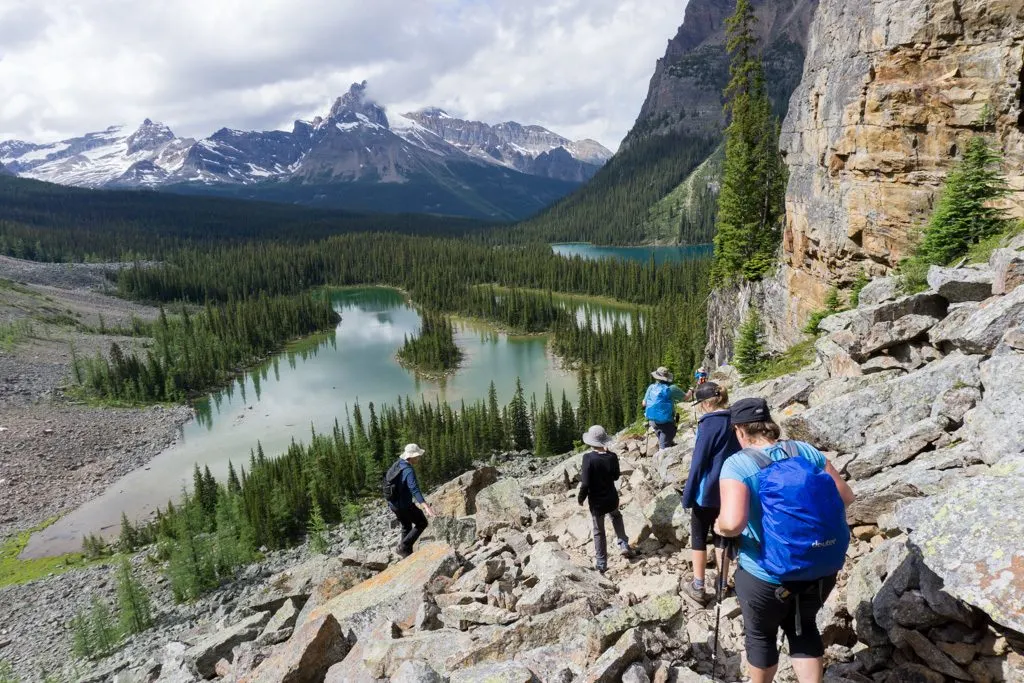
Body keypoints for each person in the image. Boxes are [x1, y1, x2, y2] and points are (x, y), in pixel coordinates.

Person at [716, 398, 855, 683]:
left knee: (761, 637)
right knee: (804, 628)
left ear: (740, 430)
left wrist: (719, 525)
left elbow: (732, 524)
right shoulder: (805, 451)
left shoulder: (738, 465)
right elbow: (847, 497)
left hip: (765, 574)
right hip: (820, 567)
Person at [680, 382, 740, 605]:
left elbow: (698, 462)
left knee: (698, 535)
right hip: (730, 489)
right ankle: (722, 584)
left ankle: (698, 585)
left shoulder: (709, 424)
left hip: (707, 491)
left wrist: (688, 495)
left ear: (706, 403)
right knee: (721, 535)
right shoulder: (735, 420)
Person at [577, 425, 632, 573]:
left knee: (598, 531)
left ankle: (601, 563)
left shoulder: (587, 458)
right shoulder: (612, 457)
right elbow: (615, 477)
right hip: (612, 498)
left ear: (591, 442)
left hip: (597, 503)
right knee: (616, 516)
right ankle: (623, 544)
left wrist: (581, 498)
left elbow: (586, 483)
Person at [384, 443, 436, 558]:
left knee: (406, 526)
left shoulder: (397, 464)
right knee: (422, 522)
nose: (419, 458)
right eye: (417, 456)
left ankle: (406, 553)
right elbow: (414, 488)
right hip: (404, 505)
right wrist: (425, 506)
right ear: (411, 457)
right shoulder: (408, 470)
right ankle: (403, 547)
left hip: (393, 504)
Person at [642, 366, 686, 452]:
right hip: (666, 422)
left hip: (652, 420)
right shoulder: (671, 388)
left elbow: (644, 403)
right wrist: (691, 391)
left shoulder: (651, 387)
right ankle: (662, 457)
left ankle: (667, 444)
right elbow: (686, 398)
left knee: (661, 435)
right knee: (664, 447)